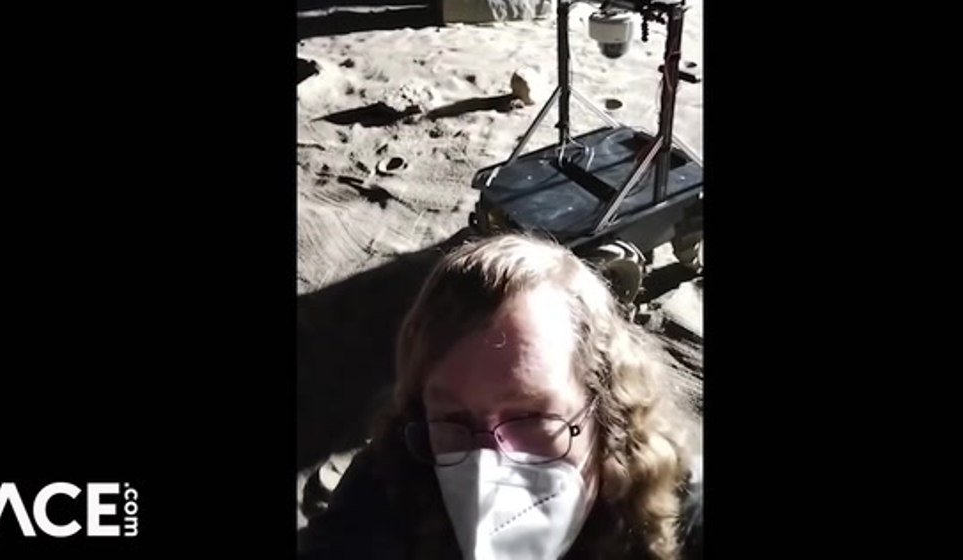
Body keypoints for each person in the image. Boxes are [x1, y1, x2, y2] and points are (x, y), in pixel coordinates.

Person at [299, 233, 703, 559]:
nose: (486, 472)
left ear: (606, 410)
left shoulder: (683, 509)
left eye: (531, 416)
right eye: (452, 420)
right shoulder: (390, 480)